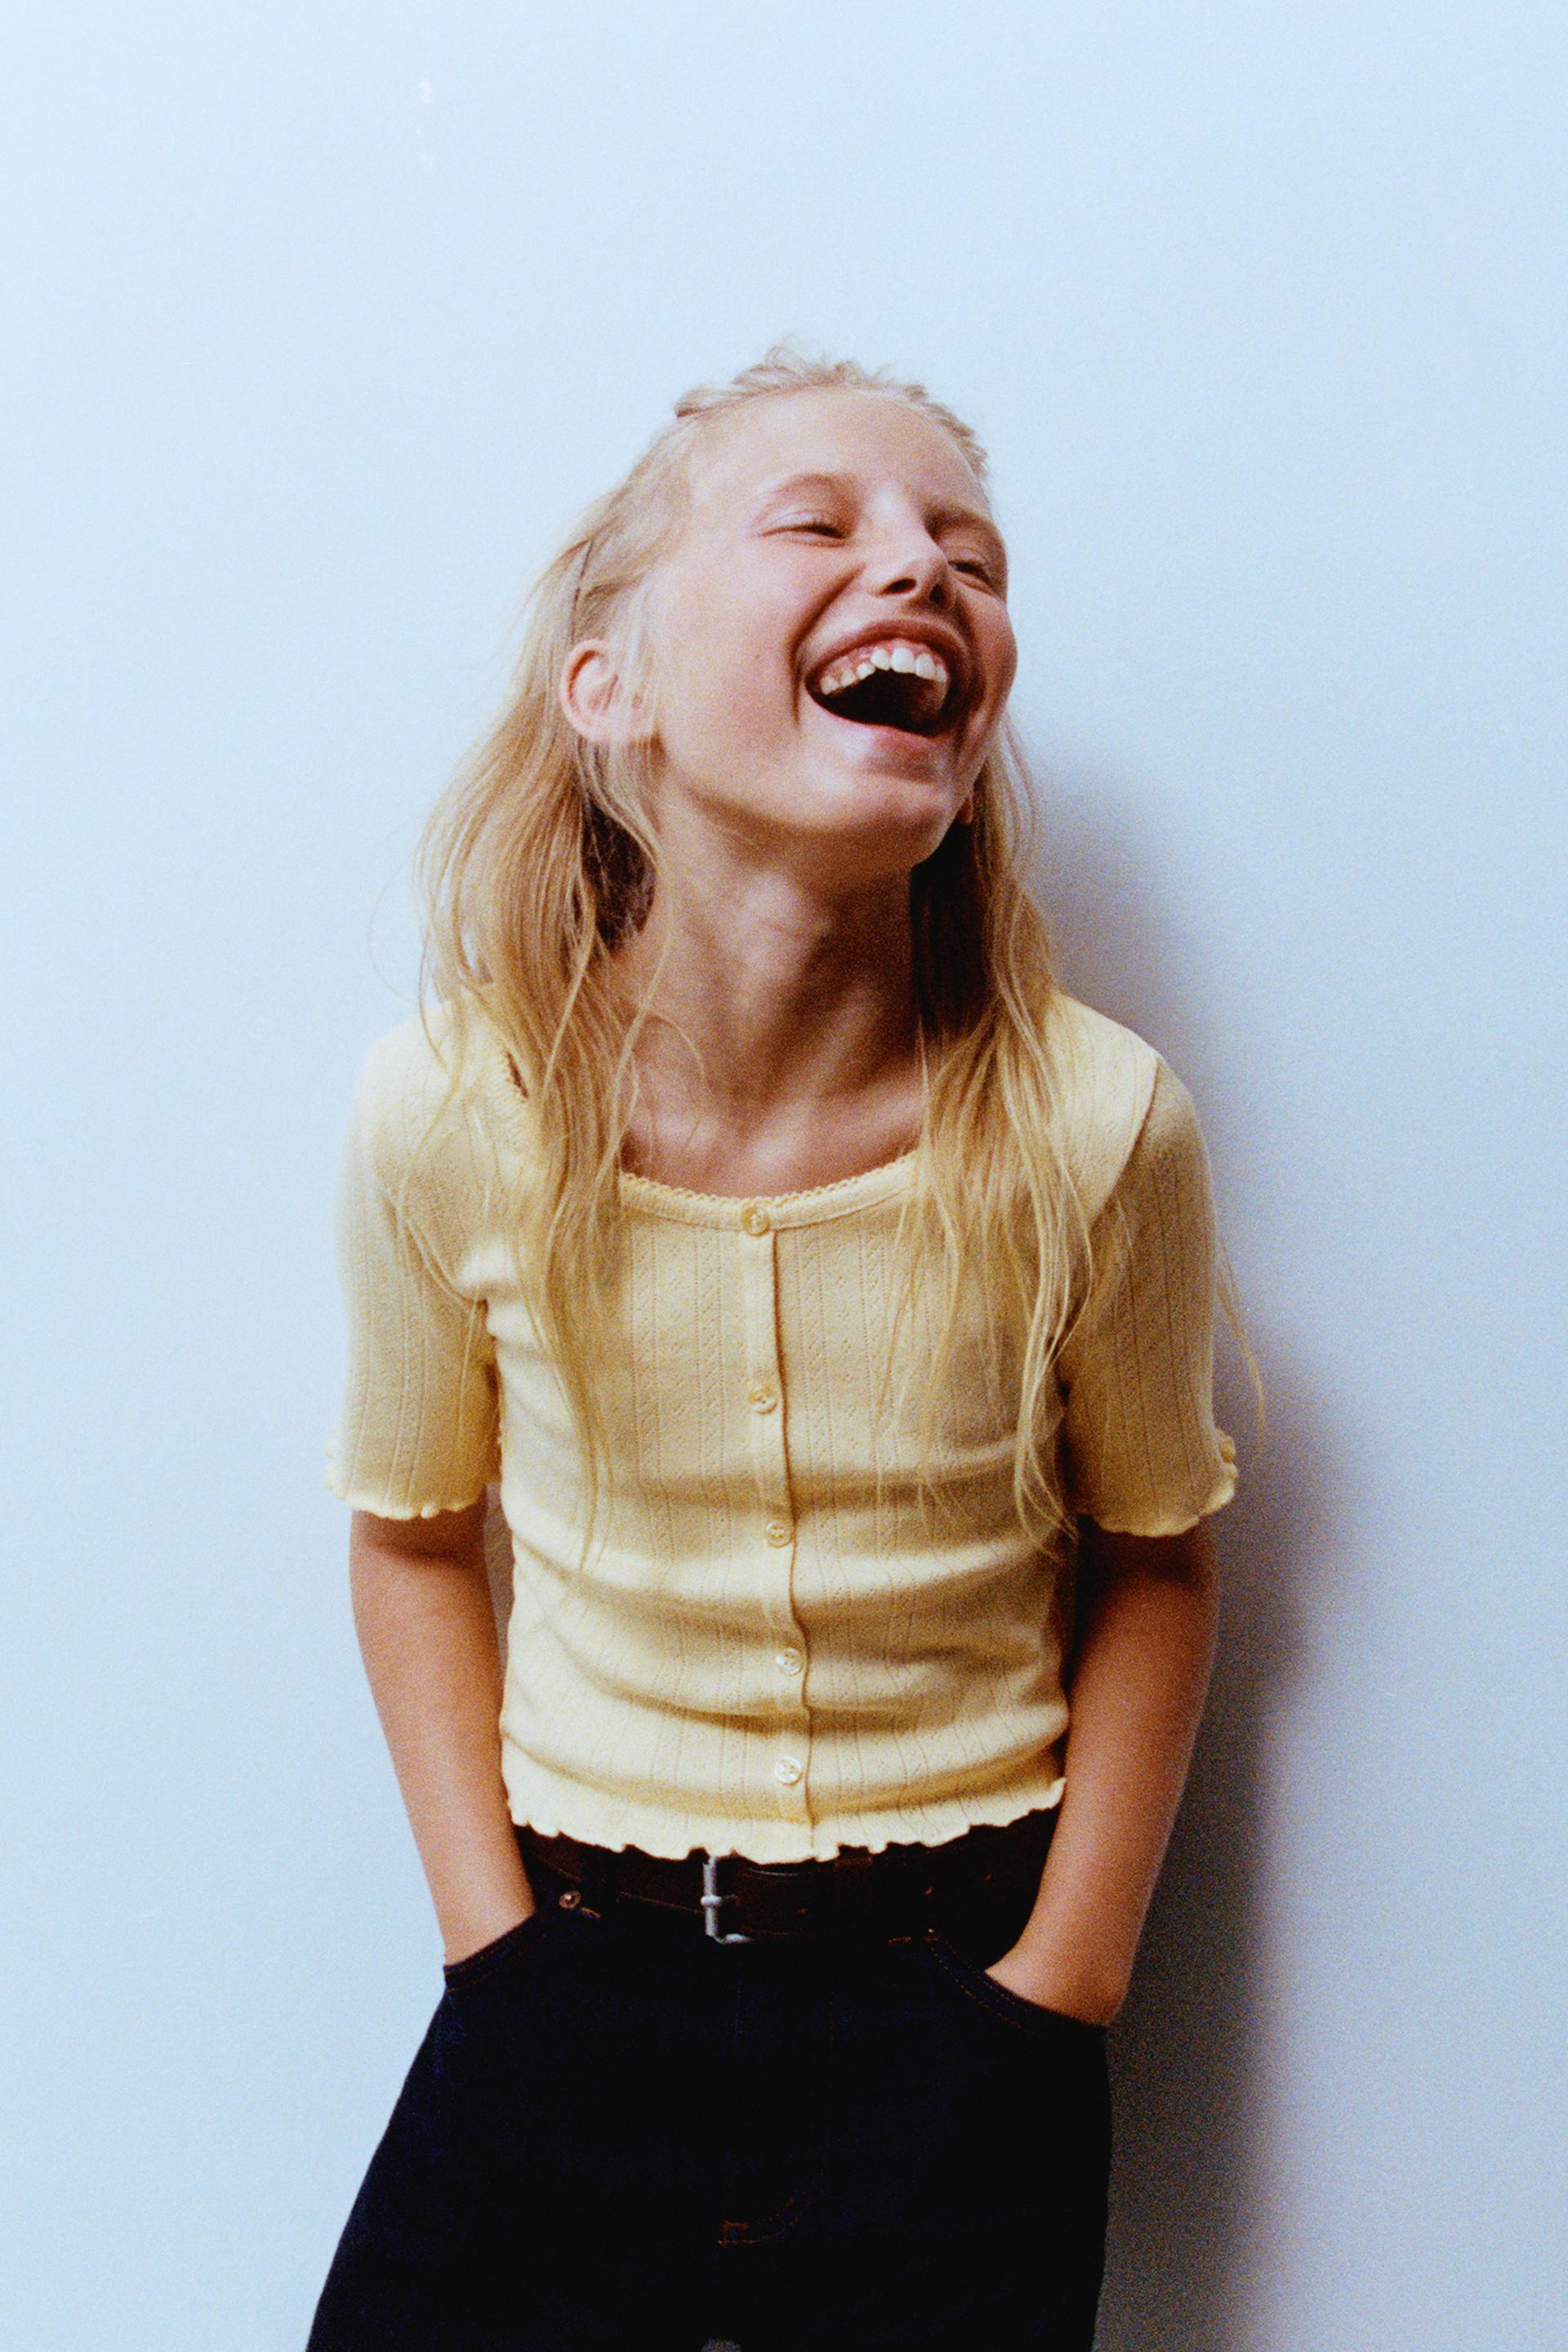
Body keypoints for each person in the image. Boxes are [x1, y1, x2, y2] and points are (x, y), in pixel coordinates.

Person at [307, 345, 1240, 2352]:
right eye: (815, 522)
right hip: (569, 1978)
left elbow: (1158, 1560)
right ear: (611, 688)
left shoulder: (1099, 1128)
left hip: (960, 2004)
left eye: (970, 558)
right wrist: (495, 1957)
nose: (920, 572)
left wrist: (1059, 1991)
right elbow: (410, 1538)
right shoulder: (446, 1113)